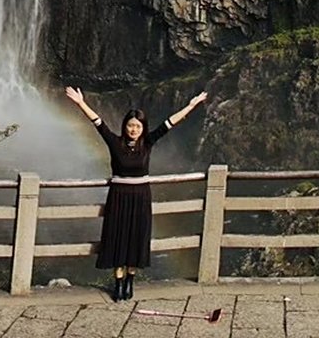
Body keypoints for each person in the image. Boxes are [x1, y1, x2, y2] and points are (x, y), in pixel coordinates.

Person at [65, 85, 210, 300]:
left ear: (143, 128)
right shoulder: (114, 143)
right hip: (118, 197)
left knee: (136, 238)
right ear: (125, 126)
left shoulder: (148, 143)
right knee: (117, 238)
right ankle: (118, 283)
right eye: (131, 125)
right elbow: (98, 123)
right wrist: (80, 103)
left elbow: (169, 123)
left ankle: (131, 281)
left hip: (141, 197)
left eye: (138, 126)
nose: (134, 129)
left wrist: (191, 105)